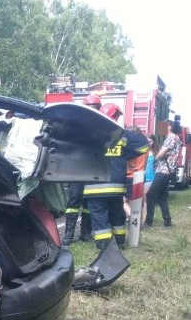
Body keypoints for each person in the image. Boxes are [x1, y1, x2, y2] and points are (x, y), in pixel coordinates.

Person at [84, 103, 149, 249]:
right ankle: (119, 243)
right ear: (116, 117)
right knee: (117, 213)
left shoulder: (89, 134)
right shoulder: (122, 135)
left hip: (94, 185)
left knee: (99, 215)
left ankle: (104, 246)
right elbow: (144, 145)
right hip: (116, 185)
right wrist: (124, 155)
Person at [61, 92, 102, 245]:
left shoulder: (101, 124)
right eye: (91, 106)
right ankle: (68, 235)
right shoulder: (75, 125)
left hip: (93, 169)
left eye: (96, 107)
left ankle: (85, 233)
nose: (94, 109)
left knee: (89, 203)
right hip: (77, 169)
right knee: (74, 201)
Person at [144, 119, 182, 228]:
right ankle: (167, 222)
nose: (160, 129)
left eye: (162, 126)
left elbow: (160, 155)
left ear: (169, 126)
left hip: (164, 170)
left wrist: (156, 157)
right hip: (166, 170)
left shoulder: (172, 138)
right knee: (161, 197)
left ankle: (148, 222)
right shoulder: (171, 138)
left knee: (150, 194)